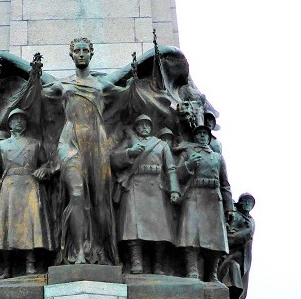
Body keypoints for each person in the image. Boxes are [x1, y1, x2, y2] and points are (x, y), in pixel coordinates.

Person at [43, 38, 124, 265]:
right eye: (77, 51)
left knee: (100, 199)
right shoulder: (62, 85)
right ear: (71, 55)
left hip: (97, 143)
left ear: (91, 54)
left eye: (85, 50)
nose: (81, 54)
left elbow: (129, 97)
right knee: (77, 195)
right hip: (70, 142)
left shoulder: (103, 85)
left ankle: (100, 251)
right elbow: (36, 99)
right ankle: (77, 251)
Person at [0, 108, 56, 277]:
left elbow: (46, 164)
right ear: (9, 124)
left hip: (29, 185)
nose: (18, 122)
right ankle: (7, 267)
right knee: (6, 226)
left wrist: (43, 170)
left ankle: (30, 263)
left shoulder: (35, 143)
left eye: (21, 119)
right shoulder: (1, 146)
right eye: (15, 119)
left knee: (30, 224)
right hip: (9, 187)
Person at [110, 114, 180, 274]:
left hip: (156, 188)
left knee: (160, 230)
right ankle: (136, 262)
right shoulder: (129, 142)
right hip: (135, 186)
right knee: (133, 229)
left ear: (151, 127)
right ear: (136, 127)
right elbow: (113, 159)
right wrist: (129, 152)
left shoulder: (161, 145)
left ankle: (158, 265)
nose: (144, 127)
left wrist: (175, 189)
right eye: (140, 125)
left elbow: (170, 168)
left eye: (147, 125)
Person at [176, 124, 231, 280]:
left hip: (213, 198)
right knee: (190, 234)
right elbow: (177, 175)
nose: (202, 136)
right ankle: (192, 270)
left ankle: (212, 274)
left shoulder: (218, 158)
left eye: (204, 133)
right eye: (199, 133)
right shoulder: (188, 153)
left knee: (216, 238)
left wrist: (229, 208)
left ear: (208, 137)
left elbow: (225, 183)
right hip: (194, 195)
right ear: (195, 137)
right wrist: (188, 165)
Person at [218, 193, 255, 299]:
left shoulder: (250, 220)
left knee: (243, 284)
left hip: (245, 257)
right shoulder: (235, 215)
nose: (248, 204)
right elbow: (228, 234)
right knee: (231, 273)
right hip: (230, 255)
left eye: (250, 202)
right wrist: (242, 234)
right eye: (245, 201)